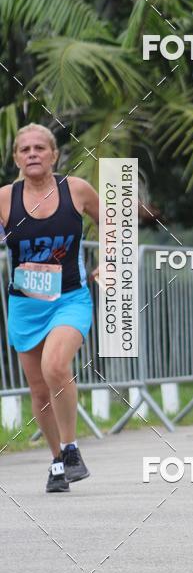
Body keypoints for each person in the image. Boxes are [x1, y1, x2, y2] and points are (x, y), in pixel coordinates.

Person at [0, 123, 99, 492]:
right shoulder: (6, 199)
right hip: (25, 305)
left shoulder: (75, 190)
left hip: (70, 300)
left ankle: (72, 449)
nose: (33, 154)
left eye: (40, 148)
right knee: (39, 390)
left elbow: (116, 226)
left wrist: (109, 261)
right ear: (16, 158)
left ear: (54, 154)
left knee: (56, 364)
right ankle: (57, 461)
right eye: (25, 150)